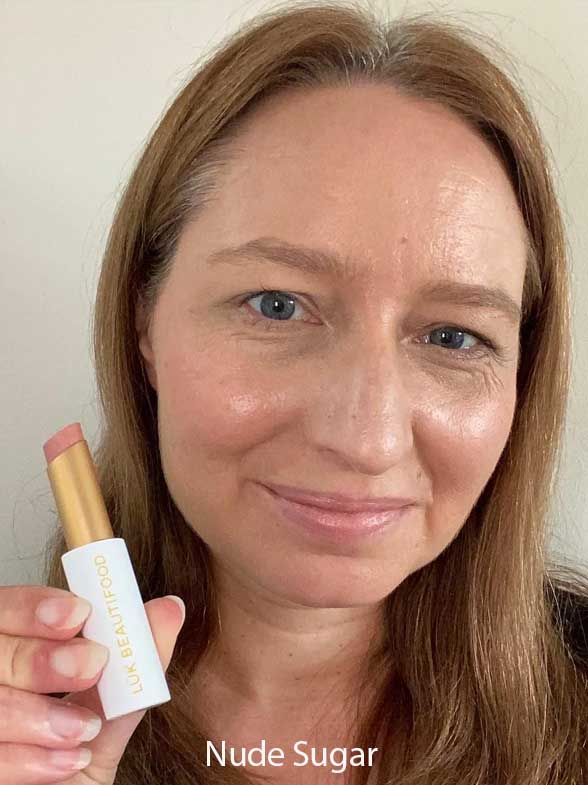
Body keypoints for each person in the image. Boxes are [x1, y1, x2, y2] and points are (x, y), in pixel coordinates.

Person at [2, 2, 588, 783]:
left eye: (453, 336)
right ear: (144, 319)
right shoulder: (30, 720)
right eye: (277, 305)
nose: (366, 437)